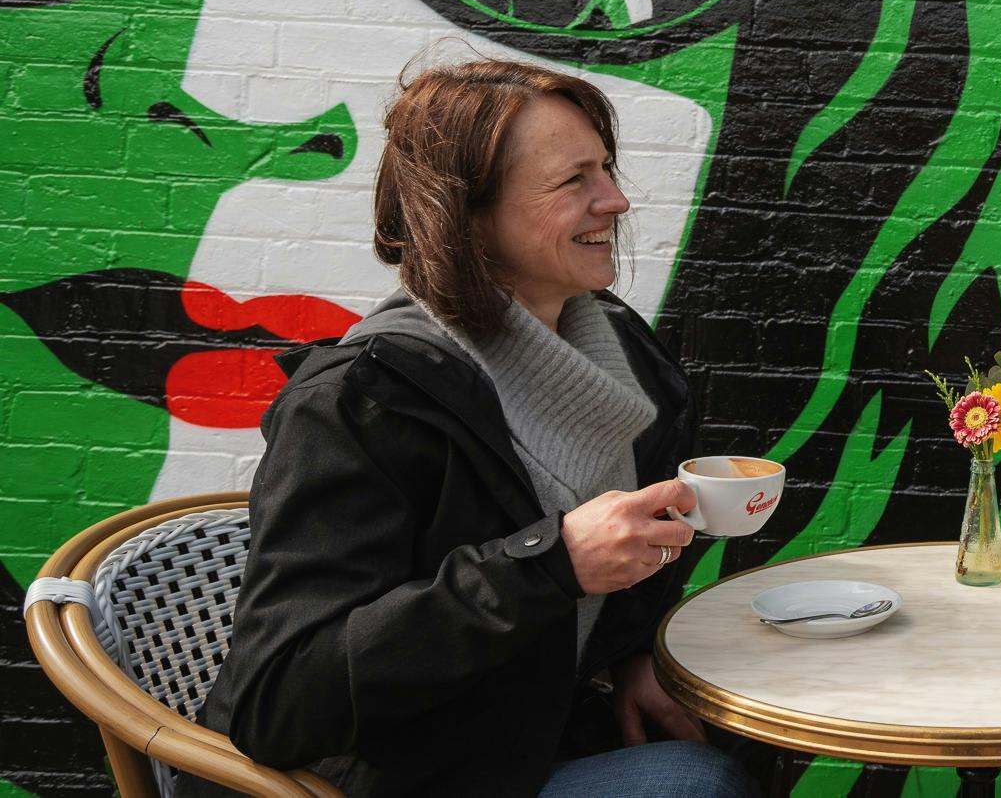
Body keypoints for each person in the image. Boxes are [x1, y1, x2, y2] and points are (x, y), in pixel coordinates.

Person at [189, 59, 758, 798]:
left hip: (527, 743)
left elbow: (613, 567)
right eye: (573, 181)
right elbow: (281, 696)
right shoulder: (363, 401)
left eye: (606, 170)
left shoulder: (620, 355)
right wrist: (549, 564)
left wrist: (634, 651)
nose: (615, 200)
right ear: (465, 214)